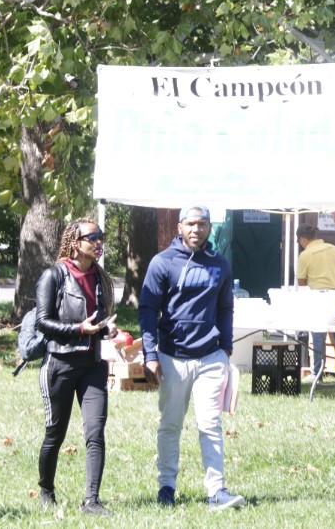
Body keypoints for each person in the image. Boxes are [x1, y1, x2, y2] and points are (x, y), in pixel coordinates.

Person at [139, 205, 246, 511]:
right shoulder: (162, 263)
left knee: (209, 423)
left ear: (210, 228)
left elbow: (226, 308)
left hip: (211, 357)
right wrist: (150, 354)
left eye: (202, 224)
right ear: (179, 227)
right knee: (171, 424)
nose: (196, 230)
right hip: (172, 357)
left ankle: (217, 491)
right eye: (190, 224)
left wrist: (225, 349)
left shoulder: (219, 264)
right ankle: (166, 488)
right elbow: (147, 310)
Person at [34, 218, 116, 516]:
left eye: (100, 236)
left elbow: (98, 322)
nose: (98, 242)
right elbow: (43, 322)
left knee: (95, 431)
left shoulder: (100, 277)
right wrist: (81, 328)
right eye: (91, 237)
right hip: (60, 363)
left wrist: (108, 330)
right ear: (74, 242)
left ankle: (91, 501)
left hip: (92, 365)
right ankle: (46, 489)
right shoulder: (54, 276)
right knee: (55, 433)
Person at [295, 223, 335, 381]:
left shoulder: (305, 255)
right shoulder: (334, 249)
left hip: (318, 297)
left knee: (318, 336)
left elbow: (301, 282)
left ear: (303, 239)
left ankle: (317, 373)